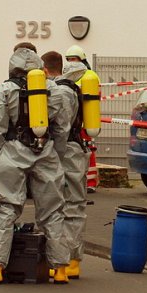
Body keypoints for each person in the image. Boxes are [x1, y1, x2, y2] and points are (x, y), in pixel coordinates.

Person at [0, 47, 72, 284]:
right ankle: (60, 270)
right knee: (53, 211)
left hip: (12, 151)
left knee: (6, 208)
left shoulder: (5, 89)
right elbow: (62, 128)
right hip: (45, 151)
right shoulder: (52, 89)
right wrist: (55, 155)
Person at [42, 51, 89, 279]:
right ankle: (68, 258)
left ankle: (70, 258)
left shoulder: (60, 91)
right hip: (74, 150)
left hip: (67, 151)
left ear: (44, 69)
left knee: (69, 206)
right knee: (70, 205)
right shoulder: (71, 88)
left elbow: (62, 128)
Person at [64, 45, 98, 193]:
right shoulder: (67, 74)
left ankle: (90, 182)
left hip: (85, 119)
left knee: (87, 150)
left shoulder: (90, 75)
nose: (72, 62)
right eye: (69, 59)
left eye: (74, 59)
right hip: (73, 119)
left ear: (82, 59)